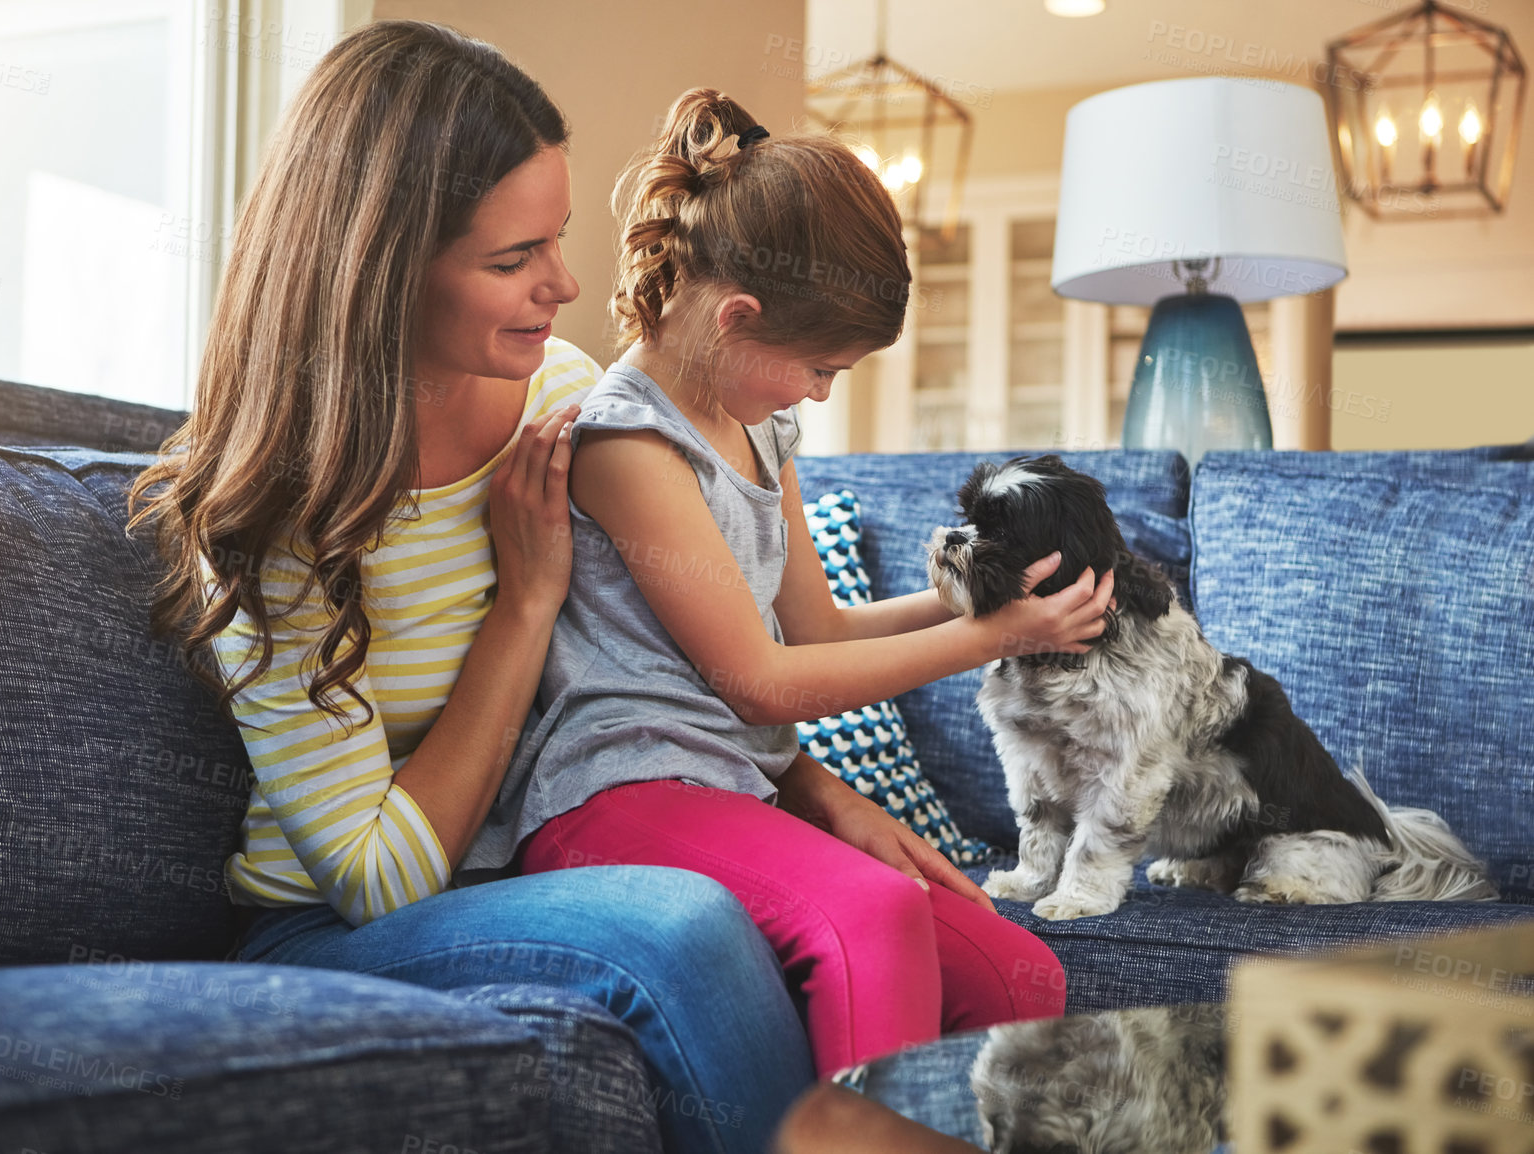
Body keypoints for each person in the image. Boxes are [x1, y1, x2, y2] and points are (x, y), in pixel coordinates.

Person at [126, 22, 816, 1153]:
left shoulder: (564, 390)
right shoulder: (265, 514)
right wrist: (524, 604)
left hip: (544, 850)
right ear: (380, 272)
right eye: (512, 259)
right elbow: (378, 883)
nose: (566, 282)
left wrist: (822, 803)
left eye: (553, 237)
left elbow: (682, 659)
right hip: (329, 929)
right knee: (682, 927)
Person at [459, 88, 1117, 1081]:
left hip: (727, 789)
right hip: (611, 794)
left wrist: (973, 596)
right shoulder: (629, 441)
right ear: (735, 318)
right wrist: (996, 637)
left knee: (1015, 971)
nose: (819, 392)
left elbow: (819, 631)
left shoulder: (763, 426)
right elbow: (761, 684)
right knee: (872, 910)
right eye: (818, 366)